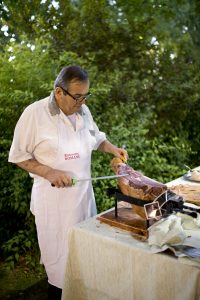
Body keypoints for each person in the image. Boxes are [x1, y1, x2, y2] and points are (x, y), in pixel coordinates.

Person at [8, 65, 128, 299]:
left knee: (84, 264)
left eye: (85, 96)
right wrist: (48, 172)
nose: (81, 102)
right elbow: (18, 155)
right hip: (55, 205)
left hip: (84, 200)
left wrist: (112, 148)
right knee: (60, 270)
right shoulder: (35, 114)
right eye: (77, 96)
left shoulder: (83, 110)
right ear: (59, 92)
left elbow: (95, 138)